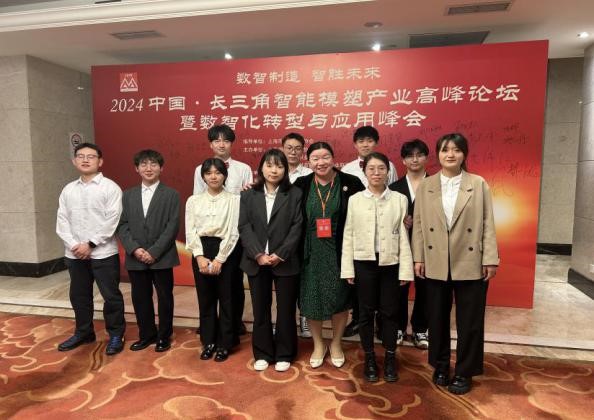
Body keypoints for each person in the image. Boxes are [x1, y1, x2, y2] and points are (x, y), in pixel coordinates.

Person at [412, 133, 499, 395]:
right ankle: (440, 365)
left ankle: (464, 371)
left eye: (456, 150)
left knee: (470, 321)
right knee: (437, 318)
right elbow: (418, 224)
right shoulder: (426, 185)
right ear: (438, 154)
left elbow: (488, 222)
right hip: (435, 259)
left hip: (470, 259)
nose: (450, 154)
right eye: (445, 150)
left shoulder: (478, 183)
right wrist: (418, 257)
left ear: (464, 154)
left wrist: (490, 257)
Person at [341, 152, 413, 382]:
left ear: (388, 172)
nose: (376, 173)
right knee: (365, 313)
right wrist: (348, 269)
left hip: (391, 263)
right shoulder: (355, 199)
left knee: (390, 313)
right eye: (371, 168)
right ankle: (370, 359)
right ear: (365, 172)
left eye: (381, 168)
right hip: (363, 263)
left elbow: (403, 237)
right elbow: (349, 235)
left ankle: (390, 358)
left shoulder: (399, 199)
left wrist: (405, 270)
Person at [294, 142, 365, 368]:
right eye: (315, 158)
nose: (321, 162)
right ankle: (318, 344)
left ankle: (335, 343)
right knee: (311, 299)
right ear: (309, 162)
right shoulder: (301, 184)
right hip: (310, 252)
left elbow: (365, 211)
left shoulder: (351, 183)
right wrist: (254, 187)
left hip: (339, 251)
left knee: (339, 299)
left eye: (325, 157)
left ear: (333, 158)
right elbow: (280, 202)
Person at [56, 142, 126, 355]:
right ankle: (84, 332)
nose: (85, 160)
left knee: (111, 296)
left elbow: (112, 220)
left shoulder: (110, 188)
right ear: (74, 161)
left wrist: (91, 244)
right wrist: (74, 245)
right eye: (81, 156)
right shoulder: (68, 189)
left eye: (91, 156)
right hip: (75, 254)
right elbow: (62, 220)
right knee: (79, 296)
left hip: (103, 253)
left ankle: (116, 334)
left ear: (100, 161)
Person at [239, 149, 303, 372]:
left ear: (285, 170)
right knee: (260, 309)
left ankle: (285, 352)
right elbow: (244, 226)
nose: (274, 170)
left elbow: (297, 226)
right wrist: (258, 254)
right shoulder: (248, 195)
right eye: (269, 165)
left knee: (286, 310)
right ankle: (263, 352)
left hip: (285, 261)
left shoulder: (294, 194)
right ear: (261, 168)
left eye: (279, 166)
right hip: (256, 261)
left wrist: (281, 253)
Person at [117, 149, 179, 353]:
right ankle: (146, 334)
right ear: (137, 168)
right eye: (144, 164)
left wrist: (154, 251)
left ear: (161, 168)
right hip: (136, 257)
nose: (149, 168)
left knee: (165, 298)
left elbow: (173, 226)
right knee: (140, 297)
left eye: (153, 164)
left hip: (162, 256)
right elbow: (122, 225)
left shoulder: (171, 194)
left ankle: (164, 336)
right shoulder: (128, 195)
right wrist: (135, 249)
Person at [193, 125, 252, 337]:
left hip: (234, 234)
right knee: (208, 286)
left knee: (233, 283)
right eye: (217, 140)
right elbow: (197, 201)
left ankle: (235, 323)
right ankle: (209, 325)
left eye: (226, 140)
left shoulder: (243, 169)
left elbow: (248, 201)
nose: (221, 144)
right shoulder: (200, 169)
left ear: (231, 143)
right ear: (210, 144)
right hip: (209, 234)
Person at [340, 125, 397, 337]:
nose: (365, 144)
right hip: (358, 230)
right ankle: (358, 319)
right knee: (358, 281)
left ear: (376, 143)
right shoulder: (347, 169)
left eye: (370, 140)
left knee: (384, 284)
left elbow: (393, 194)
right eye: (361, 141)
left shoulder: (389, 166)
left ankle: (382, 322)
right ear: (355, 144)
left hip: (384, 232)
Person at [186, 158, 240, 362]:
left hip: (227, 250)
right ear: (203, 177)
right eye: (209, 173)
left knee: (227, 299)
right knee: (206, 299)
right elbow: (190, 230)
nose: (213, 177)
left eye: (218, 172)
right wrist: (199, 256)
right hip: (200, 249)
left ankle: (226, 343)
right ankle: (208, 341)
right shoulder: (193, 201)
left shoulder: (234, 200)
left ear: (224, 175)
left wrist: (220, 259)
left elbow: (234, 232)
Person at [388, 139, 430, 349]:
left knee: (426, 288)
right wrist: (399, 221)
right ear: (403, 160)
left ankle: (421, 328)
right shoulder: (393, 188)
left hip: (429, 246)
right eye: (410, 156)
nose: (415, 159)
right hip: (400, 246)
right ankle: (398, 327)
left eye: (419, 155)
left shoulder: (436, 185)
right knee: (399, 288)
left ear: (426, 158)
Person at [281, 132, 312, 338]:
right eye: (289, 148)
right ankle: (285, 320)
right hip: (279, 235)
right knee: (283, 280)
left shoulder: (309, 173)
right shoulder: (274, 169)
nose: (293, 152)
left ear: (303, 151)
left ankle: (304, 317)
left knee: (303, 277)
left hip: (303, 233)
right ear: (282, 148)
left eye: (297, 148)